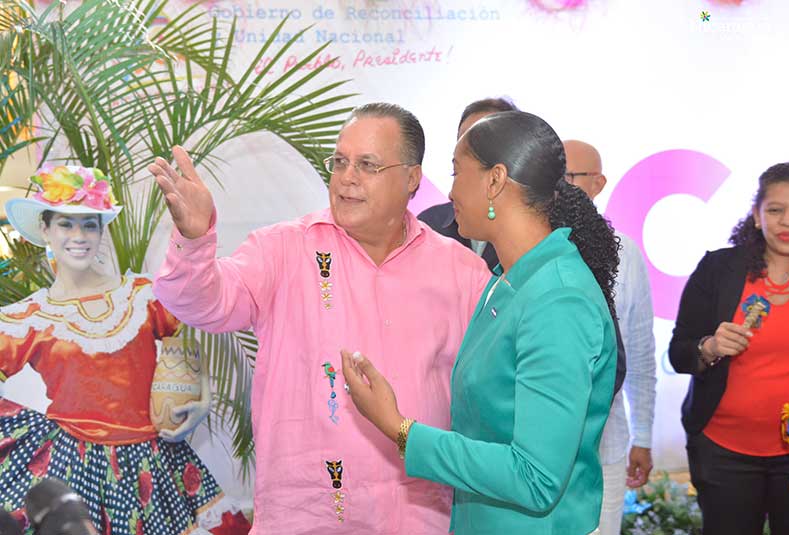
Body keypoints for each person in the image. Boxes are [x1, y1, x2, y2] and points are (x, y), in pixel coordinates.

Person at [149, 103, 491, 534]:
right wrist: (194, 239)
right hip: (308, 519)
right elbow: (200, 302)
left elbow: (494, 396)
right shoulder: (284, 250)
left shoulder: (461, 272)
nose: (347, 177)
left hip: (420, 519)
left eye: (367, 165)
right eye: (340, 162)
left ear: (411, 179)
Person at [341, 110, 620, 534]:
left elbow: (535, 478)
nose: (450, 190)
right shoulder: (509, 280)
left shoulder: (558, 299)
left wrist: (399, 429)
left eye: (457, 172)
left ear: (495, 180)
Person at [0, 164, 249, 535]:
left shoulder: (145, 296)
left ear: (102, 230)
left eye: (90, 224)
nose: (79, 236)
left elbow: (185, 357)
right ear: (45, 230)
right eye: (66, 224)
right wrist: (30, 432)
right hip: (73, 470)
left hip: (156, 466)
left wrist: (202, 399)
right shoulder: (28, 319)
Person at [669, 161, 789, 535]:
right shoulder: (718, 269)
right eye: (775, 210)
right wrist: (710, 346)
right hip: (723, 452)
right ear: (757, 216)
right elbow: (679, 353)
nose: (788, 221)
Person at [563, 140, 657, 535]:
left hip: (606, 443)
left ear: (598, 183)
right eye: (553, 175)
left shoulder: (626, 254)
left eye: (570, 176)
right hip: (535, 444)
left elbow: (640, 352)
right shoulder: (522, 248)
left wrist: (644, 435)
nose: (560, 185)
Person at [418, 97, 519, 268]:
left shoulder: (528, 234)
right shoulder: (429, 225)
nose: (468, 150)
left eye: (481, 141)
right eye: (463, 139)